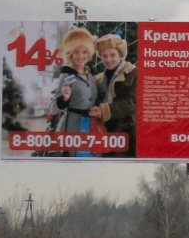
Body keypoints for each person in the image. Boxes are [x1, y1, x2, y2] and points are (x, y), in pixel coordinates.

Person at [46, 28, 99, 157]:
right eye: (76, 52)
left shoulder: (91, 77)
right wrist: (64, 98)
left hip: (89, 127)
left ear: (89, 53)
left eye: (84, 52)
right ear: (70, 54)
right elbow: (52, 109)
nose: (81, 56)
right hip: (71, 128)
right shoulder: (67, 76)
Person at [89, 31, 137, 157]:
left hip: (127, 131)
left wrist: (104, 111)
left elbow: (132, 102)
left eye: (112, 55)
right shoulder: (99, 79)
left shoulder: (133, 73)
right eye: (104, 56)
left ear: (120, 54)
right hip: (105, 131)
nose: (108, 60)